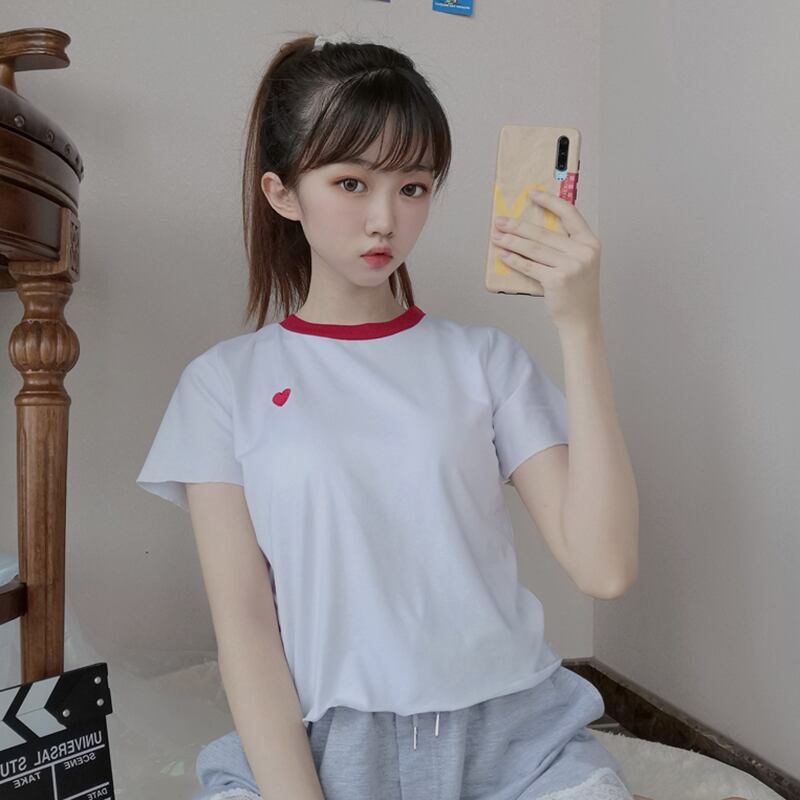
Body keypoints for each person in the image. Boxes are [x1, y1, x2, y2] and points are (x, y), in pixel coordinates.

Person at [136, 31, 644, 800]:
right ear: (282, 192)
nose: (385, 219)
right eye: (351, 182)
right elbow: (246, 629)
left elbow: (604, 566)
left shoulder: (485, 361)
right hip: (323, 752)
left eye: (413, 187)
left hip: (514, 743)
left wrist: (579, 325)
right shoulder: (222, 385)